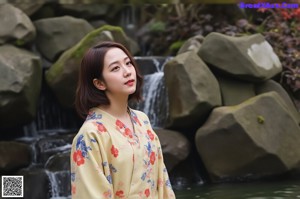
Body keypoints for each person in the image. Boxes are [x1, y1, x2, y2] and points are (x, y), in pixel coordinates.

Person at [70, 41, 176, 199]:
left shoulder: (142, 120)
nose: (127, 72)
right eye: (115, 68)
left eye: (128, 63)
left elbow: (162, 180)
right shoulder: (90, 135)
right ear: (99, 83)